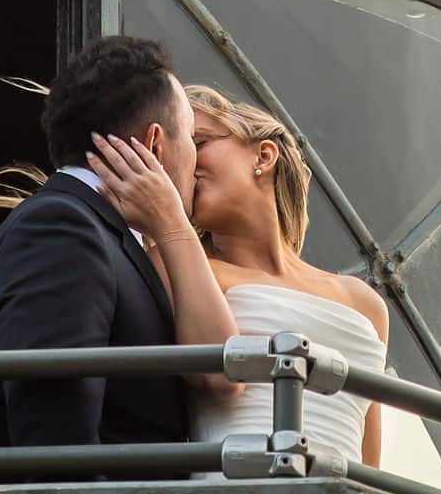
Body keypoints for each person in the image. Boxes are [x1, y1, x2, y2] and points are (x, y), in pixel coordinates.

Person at [0, 37, 238, 461]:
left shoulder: (92, 230)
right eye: (192, 139)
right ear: (156, 144)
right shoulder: (62, 228)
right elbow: (55, 434)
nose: (195, 163)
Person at [86, 84, 389, 468]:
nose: (187, 162)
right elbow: (214, 376)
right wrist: (169, 223)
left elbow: (369, 464)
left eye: (201, 141)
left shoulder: (364, 301)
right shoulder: (171, 263)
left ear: (263, 155)